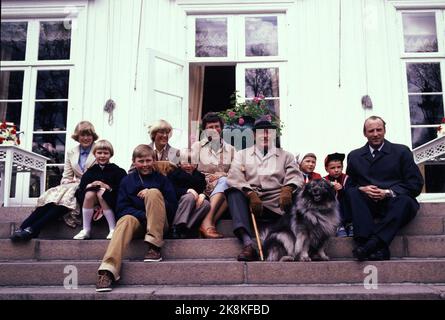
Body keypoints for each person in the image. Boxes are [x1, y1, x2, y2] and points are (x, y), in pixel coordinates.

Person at [95, 144, 177, 292]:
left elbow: (172, 208)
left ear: (153, 160)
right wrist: (145, 215)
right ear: (134, 161)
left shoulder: (162, 180)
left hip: (160, 225)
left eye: (148, 160)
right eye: (141, 161)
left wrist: (152, 198)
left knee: (153, 193)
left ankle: (154, 247)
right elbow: (121, 209)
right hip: (138, 225)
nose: (145, 165)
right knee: (125, 219)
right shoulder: (127, 181)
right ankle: (108, 270)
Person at [345, 115, 424, 261]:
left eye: (379, 130)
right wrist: (362, 189)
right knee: (354, 194)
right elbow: (348, 186)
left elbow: (415, 184)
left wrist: (388, 192)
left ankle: (368, 245)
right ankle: (376, 246)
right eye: (371, 131)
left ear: (385, 130)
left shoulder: (402, 152)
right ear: (365, 133)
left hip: (393, 203)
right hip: (367, 204)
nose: (375, 134)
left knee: (405, 201)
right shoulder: (354, 156)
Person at [226, 116, 304, 261]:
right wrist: (249, 193)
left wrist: (288, 189)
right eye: (262, 132)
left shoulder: (286, 155)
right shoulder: (241, 154)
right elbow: (234, 176)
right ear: (255, 135)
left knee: (299, 194)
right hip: (252, 200)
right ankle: (248, 245)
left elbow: (295, 176)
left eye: (269, 132)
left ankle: (298, 245)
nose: (266, 135)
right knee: (233, 193)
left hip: (278, 199)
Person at [10, 121, 98, 241]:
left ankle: (34, 229)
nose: (86, 138)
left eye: (89, 135)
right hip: (73, 187)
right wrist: (66, 184)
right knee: (52, 198)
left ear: (93, 136)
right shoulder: (71, 152)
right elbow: (66, 176)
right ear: (77, 137)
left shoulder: (99, 150)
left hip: (88, 189)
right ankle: (24, 227)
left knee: (65, 200)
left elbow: (102, 174)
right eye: (82, 135)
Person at [191, 112, 235, 239]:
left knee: (229, 184)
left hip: (223, 186)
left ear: (221, 128)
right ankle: (208, 224)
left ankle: (207, 223)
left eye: (217, 126)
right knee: (227, 183)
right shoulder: (197, 146)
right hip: (204, 186)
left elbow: (237, 171)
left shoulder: (231, 149)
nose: (214, 130)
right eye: (210, 127)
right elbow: (190, 167)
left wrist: (223, 174)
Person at [73, 140, 127, 240]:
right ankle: (86, 229)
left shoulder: (118, 171)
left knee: (101, 192)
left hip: (111, 200)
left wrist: (108, 187)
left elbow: (123, 189)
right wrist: (90, 185)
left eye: (105, 153)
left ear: (111, 154)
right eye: (99, 153)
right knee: (89, 193)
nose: (102, 156)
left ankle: (112, 229)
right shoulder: (90, 171)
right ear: (94, 154)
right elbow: (81, 190)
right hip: (92, 203)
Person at [167, 150, 210, 239]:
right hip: (179, 203)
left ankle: (187, 228)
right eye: (185, 162)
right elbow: (171, 190)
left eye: (192, 162)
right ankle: (176, 226)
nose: (188, 165)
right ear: (179, 163)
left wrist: (202, 195)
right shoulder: (174, 174)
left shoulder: (200, 176)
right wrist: (187, 190)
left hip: (195, 203)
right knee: (189, 197)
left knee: (206, 204)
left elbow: (203, 189)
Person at [323, 152, 353, 237]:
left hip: (346, 206)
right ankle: (339, 226)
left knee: (346, 197)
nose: (336, 170)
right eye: (332, 168)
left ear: (342, 167)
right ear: (326, 169)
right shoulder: (324, 180)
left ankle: (350, 224)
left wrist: (342, 189)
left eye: (339, 167)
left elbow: (350, 193)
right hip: (331, 207)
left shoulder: (347, 179)